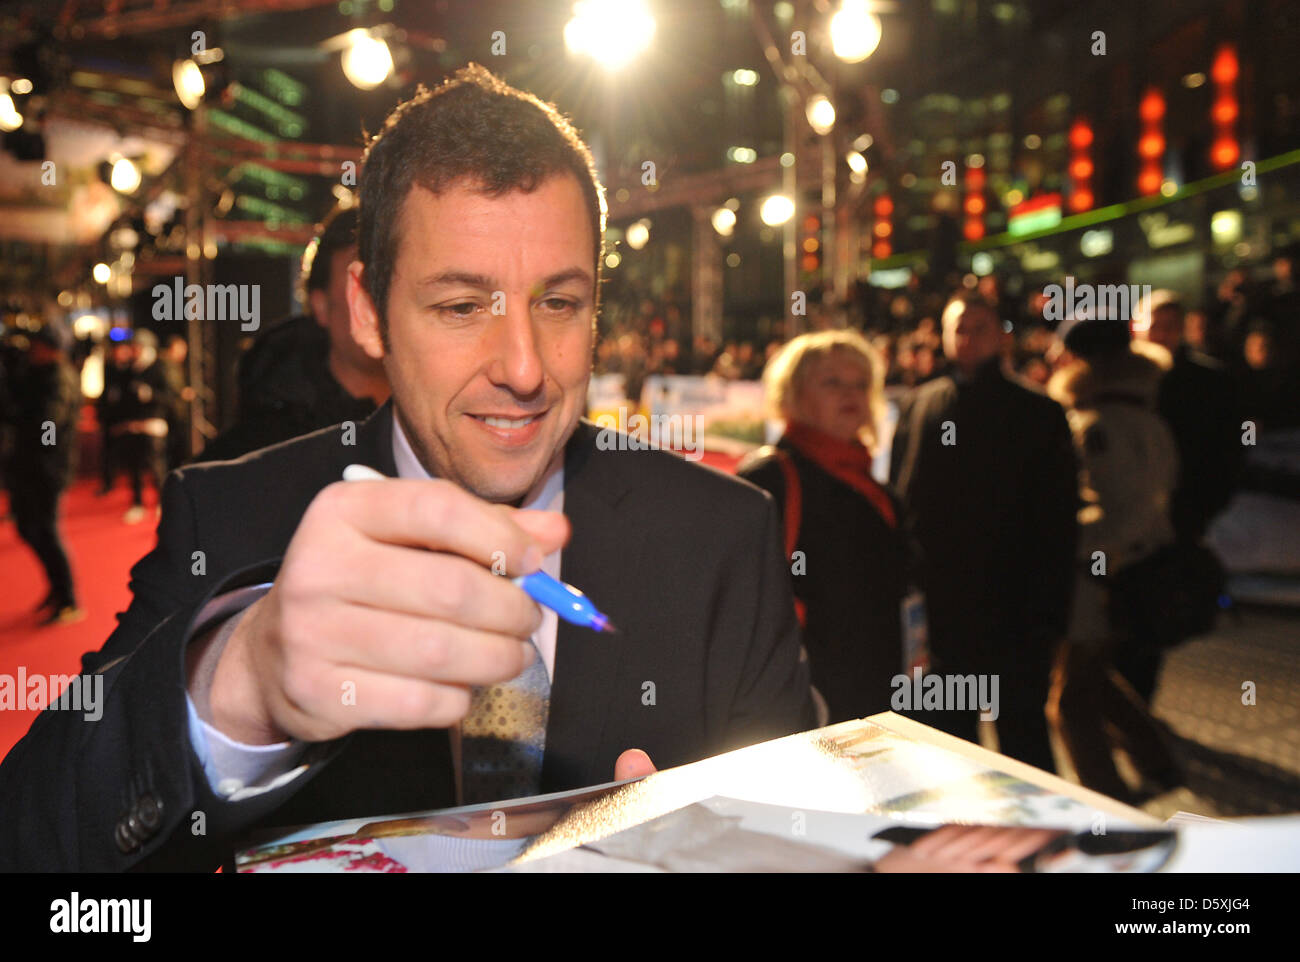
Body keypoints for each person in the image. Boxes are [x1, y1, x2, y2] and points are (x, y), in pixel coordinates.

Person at [0, 64, 814, 871]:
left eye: (559, 303)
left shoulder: (723, 534)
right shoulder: (234, 514)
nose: (525, 369)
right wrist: (239, 683)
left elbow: (801, 837)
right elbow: (32, 835)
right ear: (366, 310)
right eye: (462, 307)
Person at [889, 292, 1078, 773]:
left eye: (980, 327)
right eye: (959, 328)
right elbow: (901, 503)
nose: (968, 338)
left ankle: (1041, 840)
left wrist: (1051, 614)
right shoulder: (918, 406)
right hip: (941, 614)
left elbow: (1058, 523)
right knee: (950, 750)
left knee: (1024, 744)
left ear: (1002, 336)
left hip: (1016, 613)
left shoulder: (1038, 413)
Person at [1043, 315, 1183, 803]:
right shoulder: (1147, 414)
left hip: (1098, 578)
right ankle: (1160, 761)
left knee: (1070, 701)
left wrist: (1067, 544)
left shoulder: (1098, 423)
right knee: (1094, 679)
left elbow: (1117, 510)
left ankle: (1108, 805)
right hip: (1127, 571)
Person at [738, 330, 907, 724]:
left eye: (861, 384)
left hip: (879, 697)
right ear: (793, 394)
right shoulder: (772, 476)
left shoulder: (872, 483)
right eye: (832, 382)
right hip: (814, 705)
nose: (851, 394)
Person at [196, 205, 390, 462]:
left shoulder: (436, 419)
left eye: (389, 276)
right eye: (364, 283)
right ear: (321, 306)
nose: (382, 298)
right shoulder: (263, 448)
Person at [1132, 290, 1243, 551]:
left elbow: (1229, 448)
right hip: (1133, 513)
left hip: (1189, 507)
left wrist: (1209, 504)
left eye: (1170, 327)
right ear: (1135, 327)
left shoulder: (1213, 382)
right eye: (1155, 326)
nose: (1161, 335)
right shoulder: (1119, 382)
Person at [5, 322, 84, 624]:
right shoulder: (34, 374)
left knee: (47, 530)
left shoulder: (58, 379)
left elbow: (49, 424)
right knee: (27, 527)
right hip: (30, 465)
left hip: (47, 468)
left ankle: (68, 597)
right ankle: (57, 589)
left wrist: (43, 445)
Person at [113, 329, 173, 524]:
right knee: (134, 466)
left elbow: (171, 396)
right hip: (133, 425)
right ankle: (137, 503)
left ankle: (163, 503)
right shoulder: (129, 369)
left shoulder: (159, 367)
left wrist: (150, 395)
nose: (134, 350)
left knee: (157, 466)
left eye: (137, 347)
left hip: (153, 423)